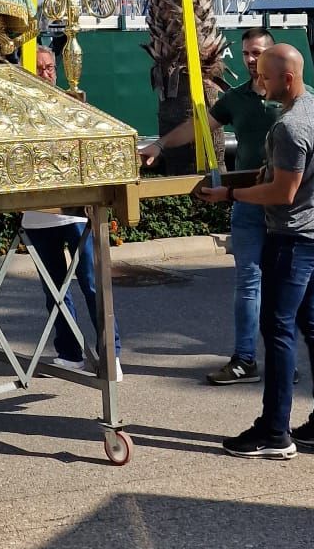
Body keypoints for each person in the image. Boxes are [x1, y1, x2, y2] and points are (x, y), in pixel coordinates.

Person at [197, 43, 314, 459]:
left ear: (288, 77)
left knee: (278, 330)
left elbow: (284, 191)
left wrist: (230, 193)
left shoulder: (290, 126)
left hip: (295, 239)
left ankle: (275, 432)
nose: (257, 80)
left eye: (264, 74)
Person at [143, 26, 278, 385]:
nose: (251, 60)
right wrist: (160, 146)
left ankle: (282, 359)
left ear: (274, 53)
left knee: (281, 285)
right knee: (249, 282)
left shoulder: (296, 96)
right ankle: (245, 360)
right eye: (247, 53)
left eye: (258, 52)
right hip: (248, 203)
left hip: (284, 205)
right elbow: (198, 125)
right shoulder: (236, 98)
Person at [23, 45, 120, 377]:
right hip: (37, 212)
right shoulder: (16, 111)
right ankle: (69, 350)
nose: (46, 74)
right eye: (39, 68)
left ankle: (111, 353)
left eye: (50, 67)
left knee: (92, 283)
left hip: (75, 211)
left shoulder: (73, 105)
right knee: (54, 288)